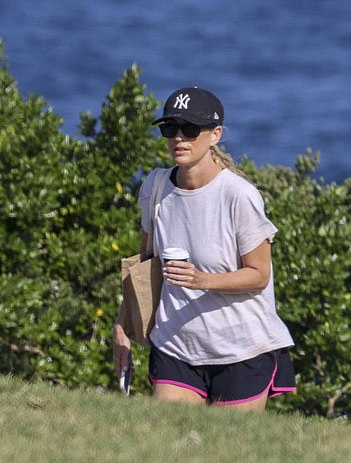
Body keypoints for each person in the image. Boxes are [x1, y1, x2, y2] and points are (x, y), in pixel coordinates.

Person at [112, 86, 295, 410]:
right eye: (170, 129)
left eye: (190, 129)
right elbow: (145, 264)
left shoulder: (238, 195)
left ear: (215, 135)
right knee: (173, 446)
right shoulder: (156, 186)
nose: (179, 138)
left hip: (241, 349)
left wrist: (202, 280)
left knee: (230, 456)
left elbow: (258, 275)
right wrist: (122, 325)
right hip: (175, 346)